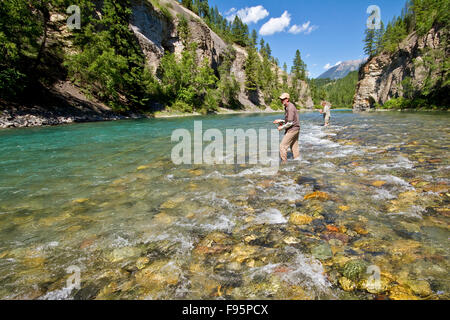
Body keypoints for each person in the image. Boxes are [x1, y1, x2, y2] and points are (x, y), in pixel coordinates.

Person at [273, 93, 300, 165]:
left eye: (283, 99)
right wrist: (280, 121)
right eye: (281, 99)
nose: (281, 101)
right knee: (294, 146)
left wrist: (281, 127)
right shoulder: (287, 106)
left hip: (292, 129)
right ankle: (297, 162)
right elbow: (290, 120)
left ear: (287, 99)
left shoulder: (290, 108)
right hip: (296, 128)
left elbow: (290, 123)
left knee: (282, 146)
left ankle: (284, 164)